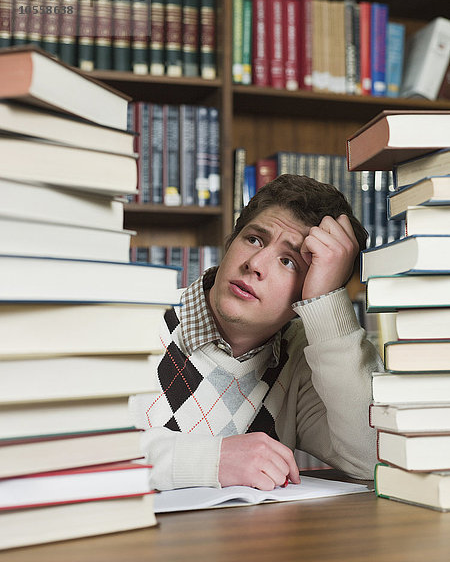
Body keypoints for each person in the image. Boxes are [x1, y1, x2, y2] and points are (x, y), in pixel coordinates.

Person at [133, 174, 383, 491]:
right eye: (254, 239)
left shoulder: (305, 358)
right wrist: (212, 460)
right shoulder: (134, 318)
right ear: (230, 242)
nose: (256, 264)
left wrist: (327, 303)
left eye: (288, 261)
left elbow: (375, 456)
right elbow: (68, 452)